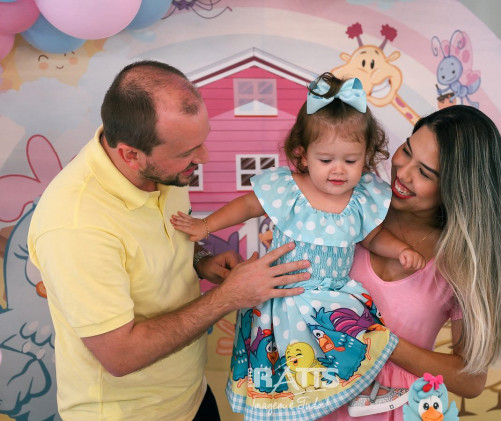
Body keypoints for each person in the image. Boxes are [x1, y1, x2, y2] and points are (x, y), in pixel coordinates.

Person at [27, 60, 312, 421]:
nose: (204, 157)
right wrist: (229, 296)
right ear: (131, 154)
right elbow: (120, 355)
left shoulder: (162, 171)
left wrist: (200, 260)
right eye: (186, 152)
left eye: (202, 141)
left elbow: (147, 249)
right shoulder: (75, 225)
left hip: (190, 396)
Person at [170, 72, 425, 420]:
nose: (338, 170)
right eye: (326, 160)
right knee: (286, 364)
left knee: (357, 341)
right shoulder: (289, 188)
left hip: (334, 297)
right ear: (303, 156)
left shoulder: (359, 198)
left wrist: (400, 250)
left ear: (366, 156)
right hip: (284, 296)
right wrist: (206, 225)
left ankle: (362, 392)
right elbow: (248, 205)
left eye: (350, 161)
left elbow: (372, 236)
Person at [321, 104, 501, 420]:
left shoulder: (463, 263)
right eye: (407, 151)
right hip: (309, 401)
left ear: (455, 189)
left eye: (425, 172)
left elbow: (470, 380)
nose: (403, 173)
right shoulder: (352, 203)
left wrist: (383, 343)